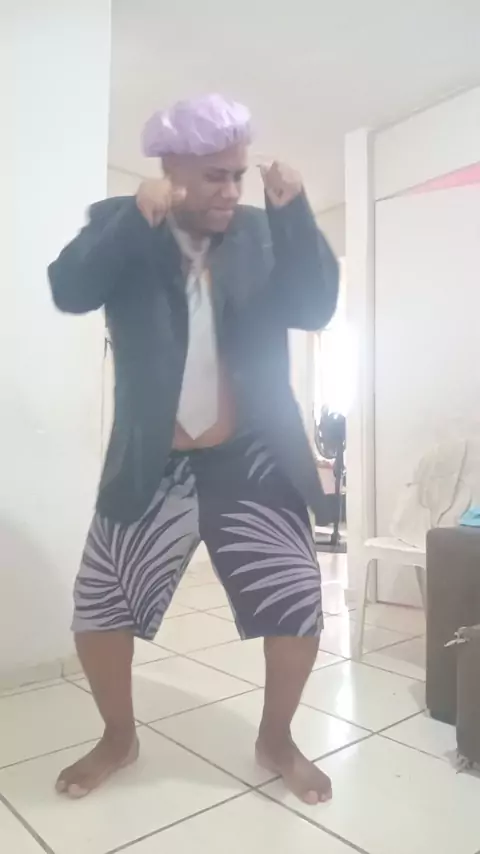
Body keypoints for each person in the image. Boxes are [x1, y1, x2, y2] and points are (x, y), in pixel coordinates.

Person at [48, 93, 339, 805]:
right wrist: (134, 219)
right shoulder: (121, 223)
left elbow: (315, 307)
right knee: (100, 605)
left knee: (297, 600)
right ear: (171, 169)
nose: (232, 190)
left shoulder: (265, 231)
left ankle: (276, 740)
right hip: (153, 457)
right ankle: (119, 737)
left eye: (238, 174)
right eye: (215, 176)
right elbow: (70, 288)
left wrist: (294, 211)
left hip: (252, 456)